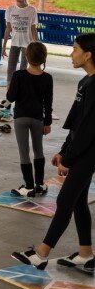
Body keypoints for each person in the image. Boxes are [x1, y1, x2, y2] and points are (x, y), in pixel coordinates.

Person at [12, 33, 95, 274]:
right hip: (81, 148)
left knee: (65, 200)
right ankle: (86, 254)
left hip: (90, 152)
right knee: (78, 200)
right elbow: (77, 122)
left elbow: (89, 129)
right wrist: (63, 150)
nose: (71, 53)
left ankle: (41, 254)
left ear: (88, 55)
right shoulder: (85, 82)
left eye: (75, 49)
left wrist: (69, 159)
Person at [6, 42, 53, 197]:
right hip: (38, 118)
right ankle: (39, 184)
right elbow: (48, 102)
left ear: (25, 57)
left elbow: (10, 98)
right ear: (44, 58)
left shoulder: (18, 75)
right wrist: (47, 122)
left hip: (21, 118)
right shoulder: (48, 78)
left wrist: (11, 88)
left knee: (24, 152)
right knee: (38, 150)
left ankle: (28, 186)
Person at [2, 0, 38, 86]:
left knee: (23, 69)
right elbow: (8, 28)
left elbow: (33, 28)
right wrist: (4, 46)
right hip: (15, 43)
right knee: (10, 70)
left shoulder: (31, 10)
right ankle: (9, 93)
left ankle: (21, 90)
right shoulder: (10, 9)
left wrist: (35, 44)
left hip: (28, 44)